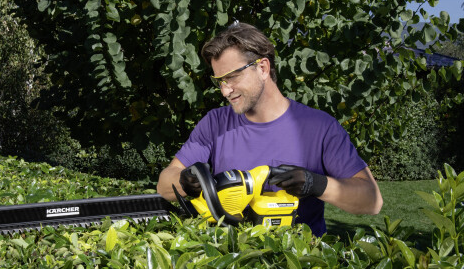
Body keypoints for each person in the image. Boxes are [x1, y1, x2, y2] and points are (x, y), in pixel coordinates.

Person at [156, 22, 383, 236]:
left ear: (263, 68)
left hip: (299, 265)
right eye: (220, 82)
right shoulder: (215, 123)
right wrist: (186, 180)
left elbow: (371, 201)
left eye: (232, 77)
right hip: (230, 263)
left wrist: (316, 184)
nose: (225, 91)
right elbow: (164, 186)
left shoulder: (320, 127)